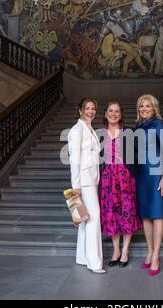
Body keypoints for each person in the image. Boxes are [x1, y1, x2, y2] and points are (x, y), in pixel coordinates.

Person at [99, 102, 142, 268]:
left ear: (121, 115)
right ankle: (116, 250)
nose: (114, 114)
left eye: (117, 111)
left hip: (125, 179)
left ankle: (125, 251)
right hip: (107, 180)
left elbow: (139, 155)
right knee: (111, 213)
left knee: (127, 212)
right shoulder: (99, 134)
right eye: (110, 111)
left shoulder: (129, 132)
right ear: (105, 114)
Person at [135, 94, 163, 276]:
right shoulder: (138, 126)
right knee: (146, 216)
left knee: (157, 215)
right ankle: (149, 251)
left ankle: (156, 255)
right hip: (142, 175)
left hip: (157, 174)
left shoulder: (159, 124)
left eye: (147, 106)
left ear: (154, 108)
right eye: (141, 106)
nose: (144, 109)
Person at [67, 98, 106, 274]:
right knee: (93, 218)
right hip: (83, 181)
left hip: (91, 179)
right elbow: (74, 159)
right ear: (80, 110)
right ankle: (95, 263)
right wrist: (76, 185)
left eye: (93, 108)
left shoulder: (89, 128)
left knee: (84, 219)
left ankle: (82, 257)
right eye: (87, 108)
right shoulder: (76, 130)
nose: (90, 111)